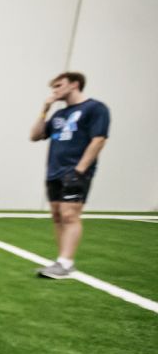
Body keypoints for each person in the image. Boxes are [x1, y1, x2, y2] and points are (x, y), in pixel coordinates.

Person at [29, 71, 109, 279]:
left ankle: (66, 262)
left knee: (70, 215)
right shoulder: (58, 115)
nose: (55, 90)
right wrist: (45, 110)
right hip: (54, 172)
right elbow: (35, 136)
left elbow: (99, 139)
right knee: (57, 216)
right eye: (53, 87)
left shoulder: (95, 108)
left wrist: (79, 170)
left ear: (74, 85)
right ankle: (61, 261)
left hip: (75, 171)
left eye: (58, 85)